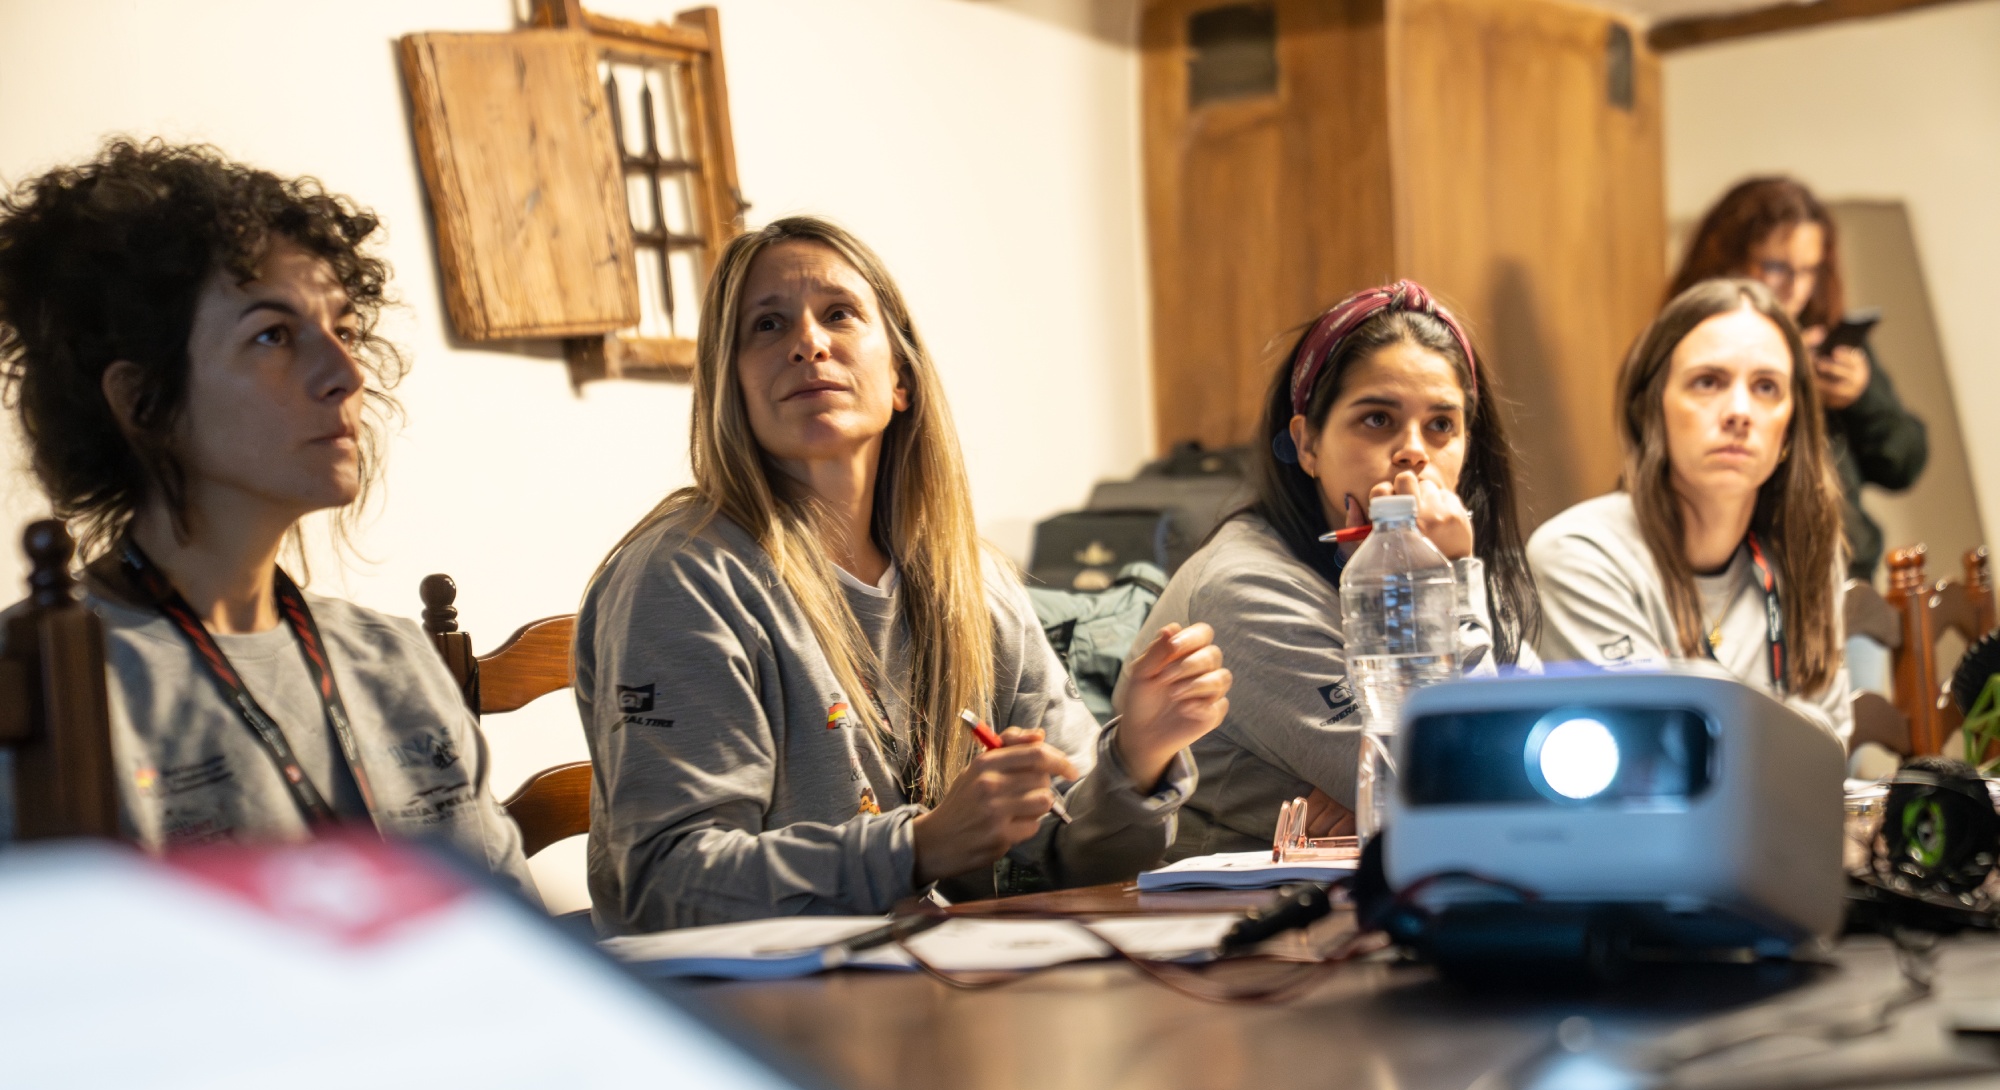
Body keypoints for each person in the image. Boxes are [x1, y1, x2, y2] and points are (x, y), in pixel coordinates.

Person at [578, 216, 1230, 931]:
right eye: (767, 325)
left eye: (839, 314)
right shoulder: (682, 579)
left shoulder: (975, 583)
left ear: (901, 379)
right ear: (729, 385)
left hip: (949, 974)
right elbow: (667, 887)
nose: (808, 342)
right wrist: (919, 847)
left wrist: (1138, 756)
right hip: (756, 994)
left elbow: (1073, 863)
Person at [0, 140, 531, 886]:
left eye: (344, 330)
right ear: (142, 401)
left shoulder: (397, 663)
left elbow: (504, 930)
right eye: (273, 335)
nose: (346, 374)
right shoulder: (43, 684)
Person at [1129, 281, 1541, 857]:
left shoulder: (1448, 554)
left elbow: (1536, 768)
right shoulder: (1244, 588)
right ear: (1308, 445)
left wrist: (1384, 795)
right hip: (1241, 907)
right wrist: (1446, 580)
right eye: (1377, 419)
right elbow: (1467, 794)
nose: (1414, 451)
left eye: (1442, 425)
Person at [1529, 278, 1851, 743]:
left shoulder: (1807, 550)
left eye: (1766, 387)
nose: (1739, 411)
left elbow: (1828, 749)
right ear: (1651, 409)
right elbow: (1654, 753)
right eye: (1708, 382)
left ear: (1791, 425)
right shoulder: (1577, 556)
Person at [1670, 176, 1925, 581]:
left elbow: (1905, 464)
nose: (1794, 288)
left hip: (1847, 572)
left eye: (1809, 270)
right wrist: (1782, 383)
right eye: (1776, 268)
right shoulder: (1692, 346)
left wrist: (1862, 398)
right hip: (1744, 575)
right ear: (1728, 260)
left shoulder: (1828, 340)